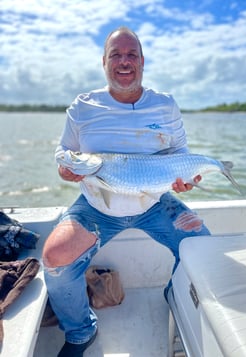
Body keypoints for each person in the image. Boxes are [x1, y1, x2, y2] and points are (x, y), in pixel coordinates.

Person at [42, 26, 210, 357]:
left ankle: (174, 297)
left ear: (142, 62)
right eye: (116, 55)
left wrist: (186, 180)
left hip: (156, 202)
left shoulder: (165, 105)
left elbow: (181, 159)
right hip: (96, 206)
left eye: (131, 54)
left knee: (201, 245)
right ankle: (80, 331)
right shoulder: (83, 106)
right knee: (54, 256)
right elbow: (66, 155)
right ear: (103, 62)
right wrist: (65, 170)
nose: (124, 61)